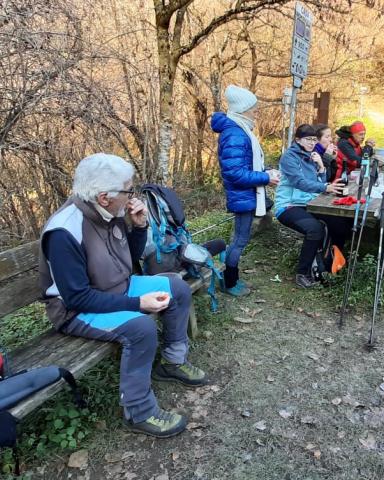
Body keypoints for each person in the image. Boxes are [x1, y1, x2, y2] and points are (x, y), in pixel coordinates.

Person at [39, 153, 207, 439]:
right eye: (128, 190)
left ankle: (172, 362)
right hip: (75, 311)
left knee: (176, 287)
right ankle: (139, 411)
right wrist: (136, 304)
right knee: (140, 328)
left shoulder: (110, 213)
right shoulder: (64, 231)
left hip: (117, 289)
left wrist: (139, 226)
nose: (133, 195)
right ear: (104, 197)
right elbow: (78, 298)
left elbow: (125, 260)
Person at [211, 85, 280, 296]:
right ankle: (229, 282)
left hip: (247, 194)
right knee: (239, 240)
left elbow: (245, 166)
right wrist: (266, 178)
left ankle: (230, 279)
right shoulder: (235, 134)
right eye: (254, 108)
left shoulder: (240, 130)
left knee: (240, 239)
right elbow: (235, 173)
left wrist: (265, 172)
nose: (256, 112)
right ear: (243, 109)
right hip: (242, 195)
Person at [274, 124, 348, 288]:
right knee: (315, 229)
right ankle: (303, 273)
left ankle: (330, 266)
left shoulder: (311, 156)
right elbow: (299, 182)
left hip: (308, 203)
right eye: (308, 139)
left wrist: (321, 167)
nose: (312, 142)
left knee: (340, 223)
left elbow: (318, 183)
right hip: (288, 206)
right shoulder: (289, 158)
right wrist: (325, 187)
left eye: (314, 139)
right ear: (298, 139)